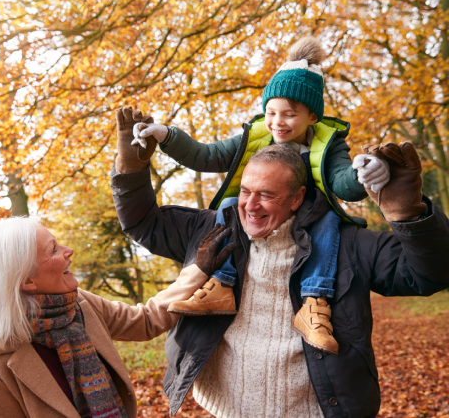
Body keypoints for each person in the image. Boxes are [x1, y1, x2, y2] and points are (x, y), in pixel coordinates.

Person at [111, 108, 449, 417]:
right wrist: (131, 169)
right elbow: (145, 224)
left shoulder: (346, 243)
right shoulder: (213, 228)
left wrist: (410, 216)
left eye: (267, 194)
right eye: (245, 191)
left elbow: (429, 274)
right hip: (225, 409)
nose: (250, 205)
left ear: (297, 197)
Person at [130, 37, 390, 355]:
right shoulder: (255, 137)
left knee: (329, 224)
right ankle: (221, 285)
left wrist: (363, 175)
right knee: (228, 205)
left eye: (289, 114)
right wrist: (168, 135)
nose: (277, 122)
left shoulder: (328, 143)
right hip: (262, 213)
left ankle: (314, 303)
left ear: (312, 117)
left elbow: (341, 183)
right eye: (271, 112)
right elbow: (206, 156)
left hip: (308, 212)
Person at [0, 216, 234, 418]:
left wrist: (198, 270)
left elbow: (146, 320)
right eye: (54, 249)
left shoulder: (79, 304)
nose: (69, 251)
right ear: (28, 281)